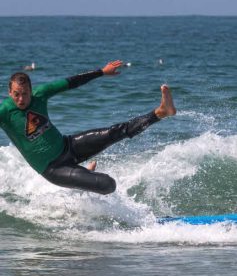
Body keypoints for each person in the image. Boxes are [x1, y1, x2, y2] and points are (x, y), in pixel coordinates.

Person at [0, 60, 176, 195]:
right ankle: (82, 175)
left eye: (25, 94)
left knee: (116, 131)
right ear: (10, 93)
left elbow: (72, 82)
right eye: (16, 94)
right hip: (54, 169)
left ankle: (161, 112)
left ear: (31, 90)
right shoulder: (5, 112)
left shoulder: (41, 94)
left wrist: (102, 72)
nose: (21, 99)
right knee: (108, 184)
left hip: (68, 145)